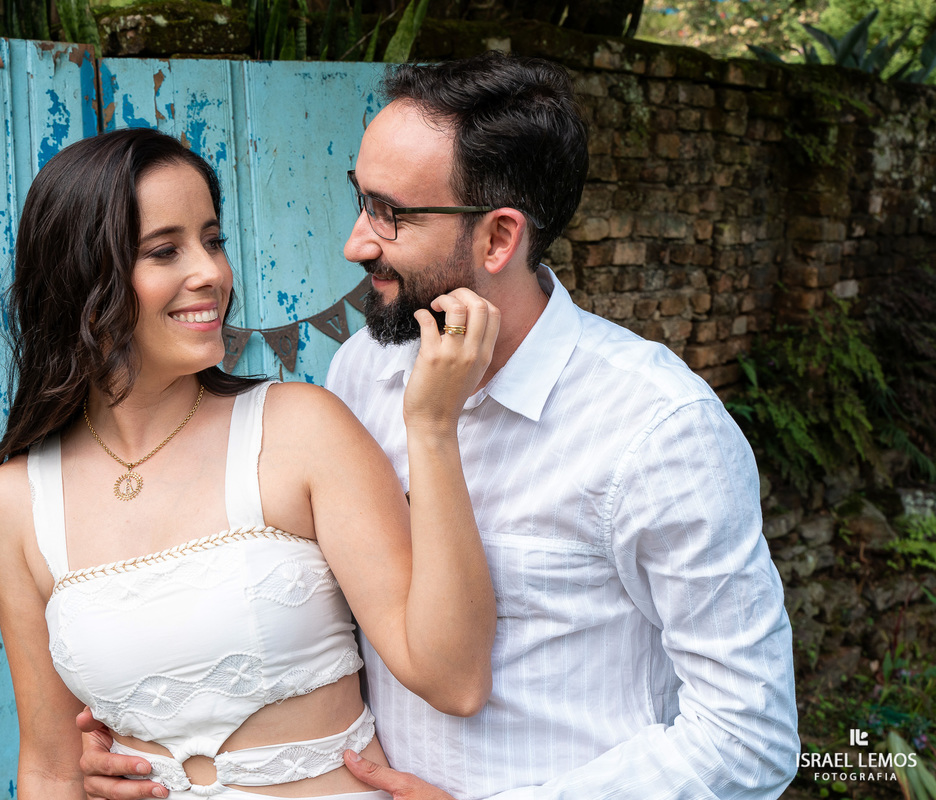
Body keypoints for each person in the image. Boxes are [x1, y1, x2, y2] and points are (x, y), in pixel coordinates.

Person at [80, 53, 799, 799]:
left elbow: (750, 738)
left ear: (498, 239)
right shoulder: (362, 371)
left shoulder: (658, 429)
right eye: (360, 200)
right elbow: (318, 623)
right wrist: (149, 735)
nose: (356, 243)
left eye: (390, 213)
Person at [0, 127, 501, 799]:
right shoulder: (16, 502)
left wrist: (432, 428)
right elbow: (51, 767)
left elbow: (454, 679)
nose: (212, 273)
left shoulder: (299, 428)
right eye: (165, 250)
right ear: (79, 277)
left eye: (213, 240)